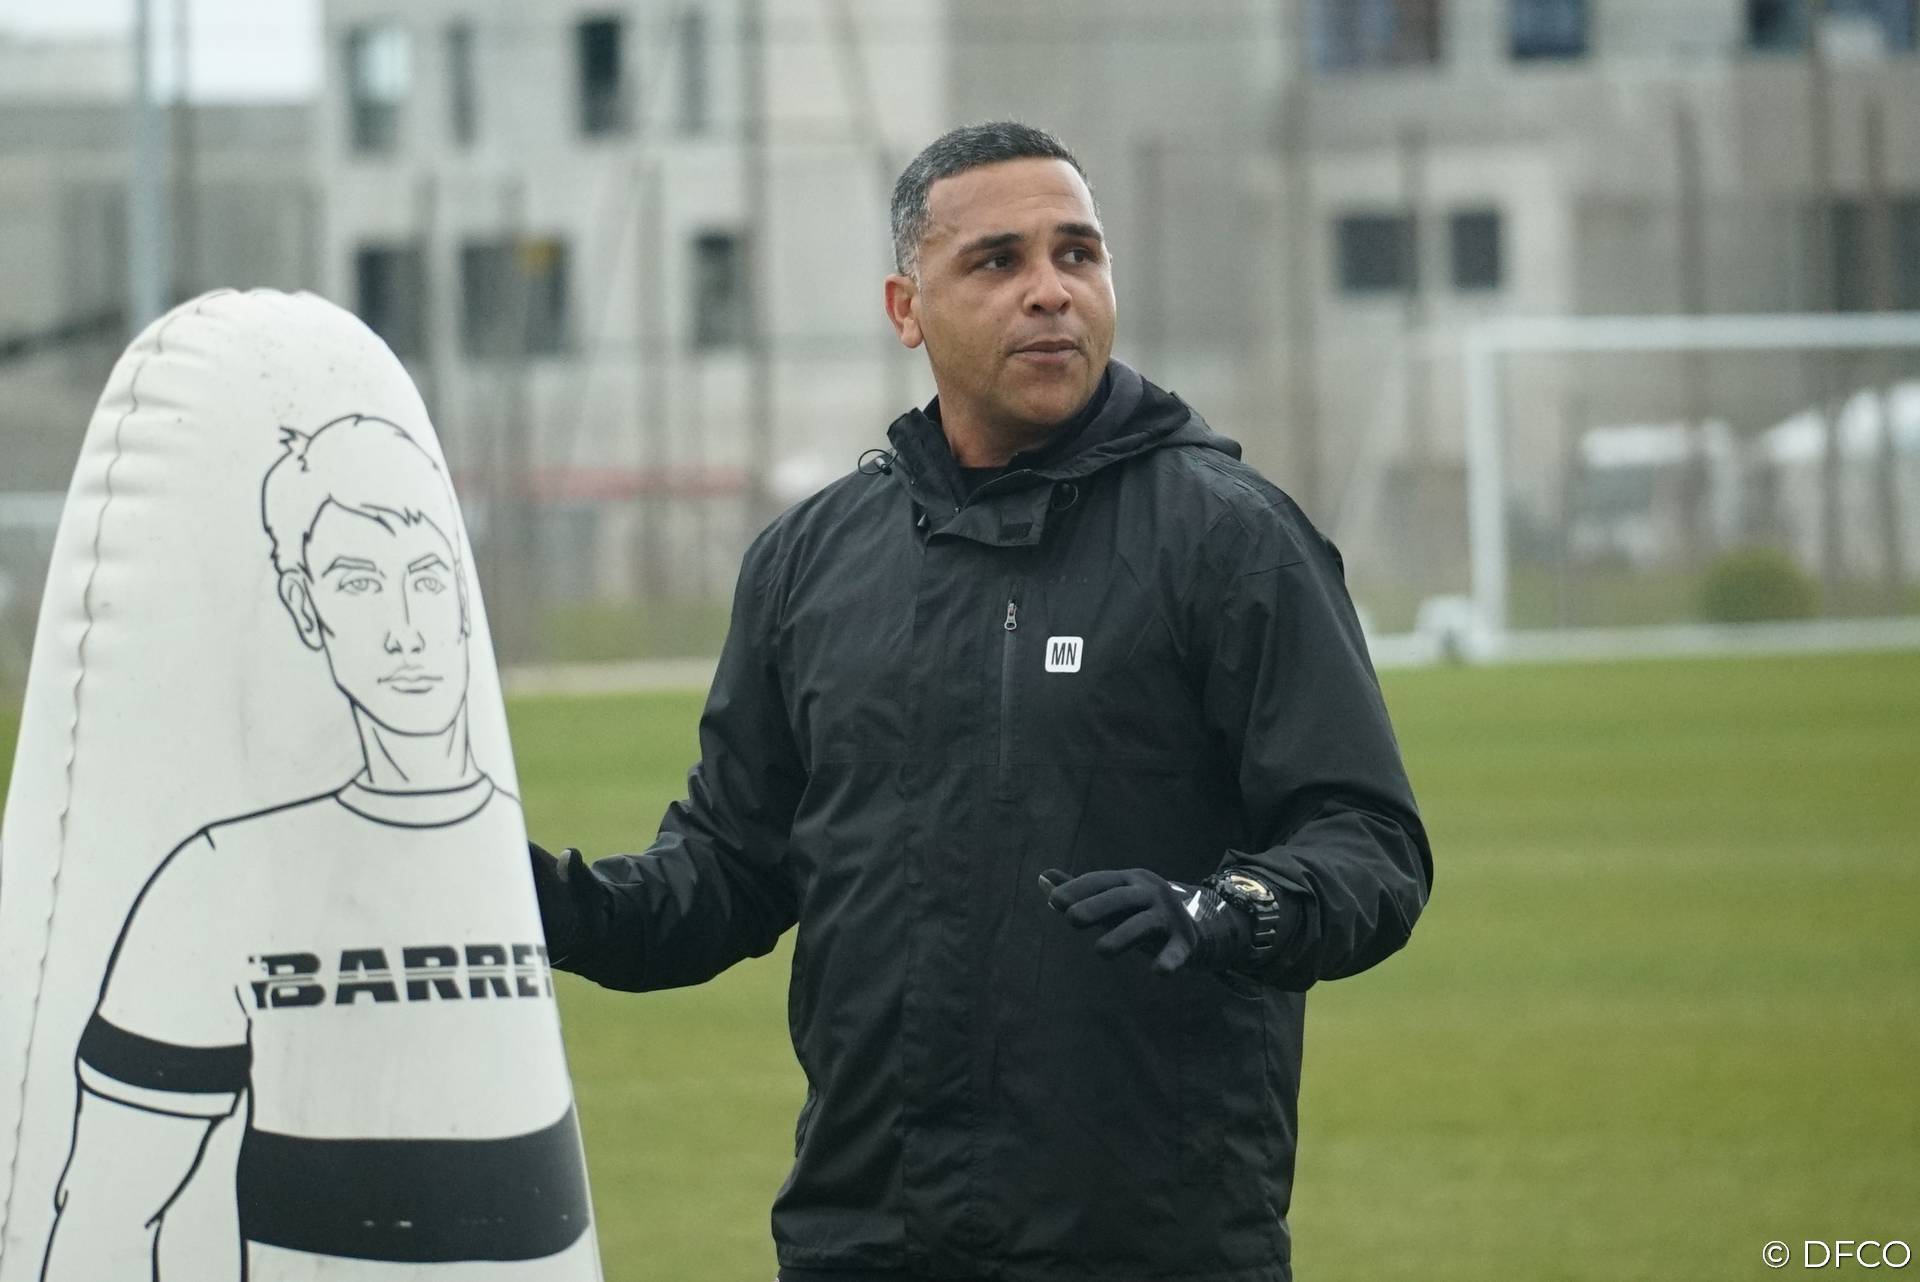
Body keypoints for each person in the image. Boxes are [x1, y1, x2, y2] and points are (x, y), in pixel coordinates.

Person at [531, 121, 1432, 1282]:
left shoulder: (1231, 539)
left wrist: (1230, 908)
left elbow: (1370, 841)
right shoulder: (808, 561)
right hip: (865, 1240)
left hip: (1146, 1247)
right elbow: (726, 874)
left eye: (1078, 254)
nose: (1050, 291)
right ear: (906, 308)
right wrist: (540, 906)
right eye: (999, 261)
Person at [45, 415, 593, 1280]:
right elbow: (102, 1220)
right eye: (358, 583)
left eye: (425, 578)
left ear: (463, 595)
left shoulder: (516, 876)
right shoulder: (218, 880)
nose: (405, 630)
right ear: (306, 606)